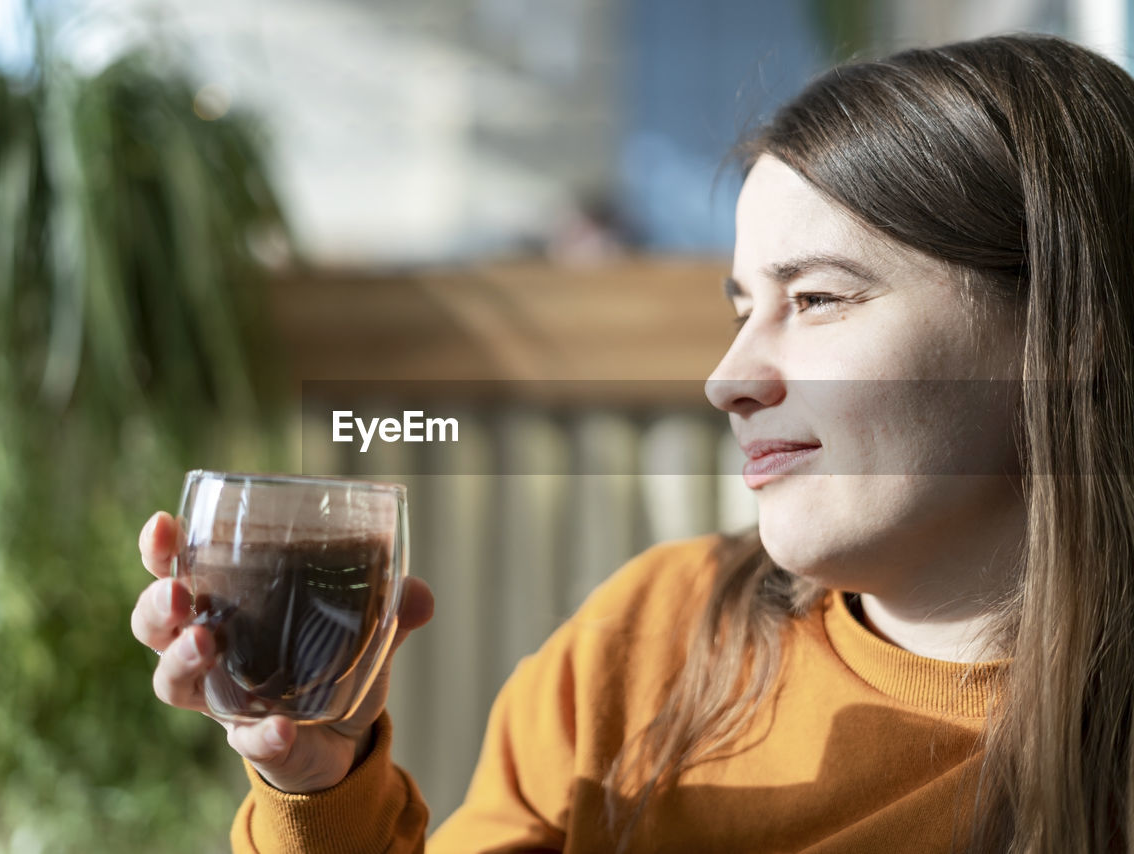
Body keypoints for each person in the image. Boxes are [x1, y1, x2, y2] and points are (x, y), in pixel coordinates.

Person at [130, 33, 1134, 853]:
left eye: (818, 298)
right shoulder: (649, 642)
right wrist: (318, 779)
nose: (728, 376)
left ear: (1065, 328)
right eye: (742, 305)